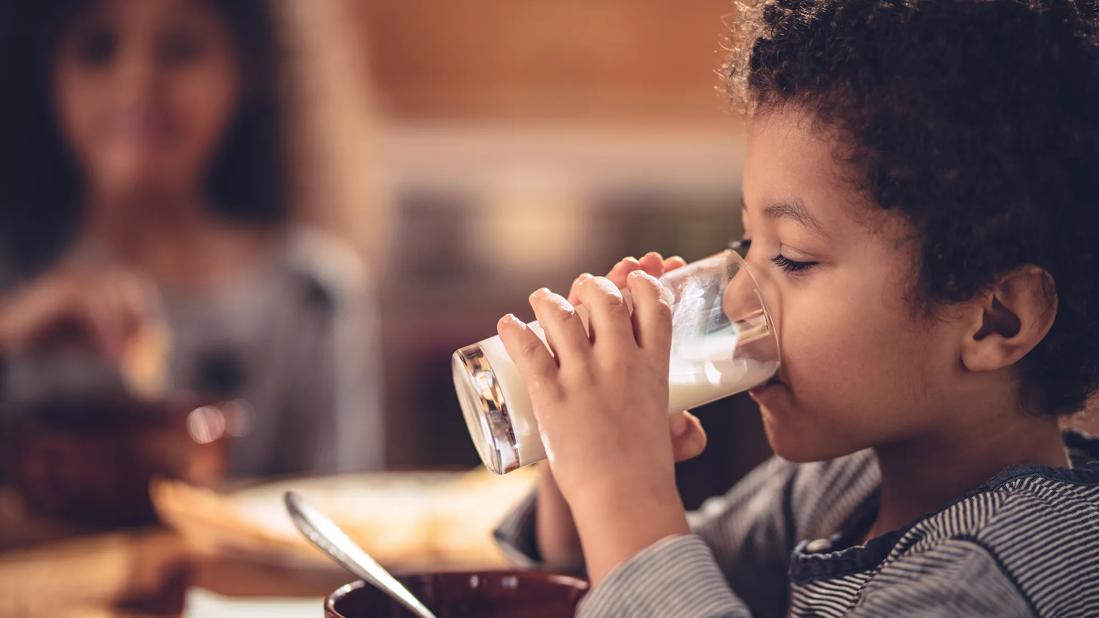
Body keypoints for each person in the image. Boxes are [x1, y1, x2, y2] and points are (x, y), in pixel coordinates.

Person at [493, 1, 1099, 615]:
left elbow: (642, 566)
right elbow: (621, 582)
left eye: (793, 259)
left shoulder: (988, 580)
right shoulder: (843, 486)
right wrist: (579, 454)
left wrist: (619, 489)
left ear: (997, 319)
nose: (735, 295)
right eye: (745, 243)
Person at [0, 0, 384, 476]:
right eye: (97, 49)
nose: (137, 82)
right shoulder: (16, 271)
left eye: (182, 50)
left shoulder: (310, 295)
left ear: (251, 70)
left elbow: (336, 516)